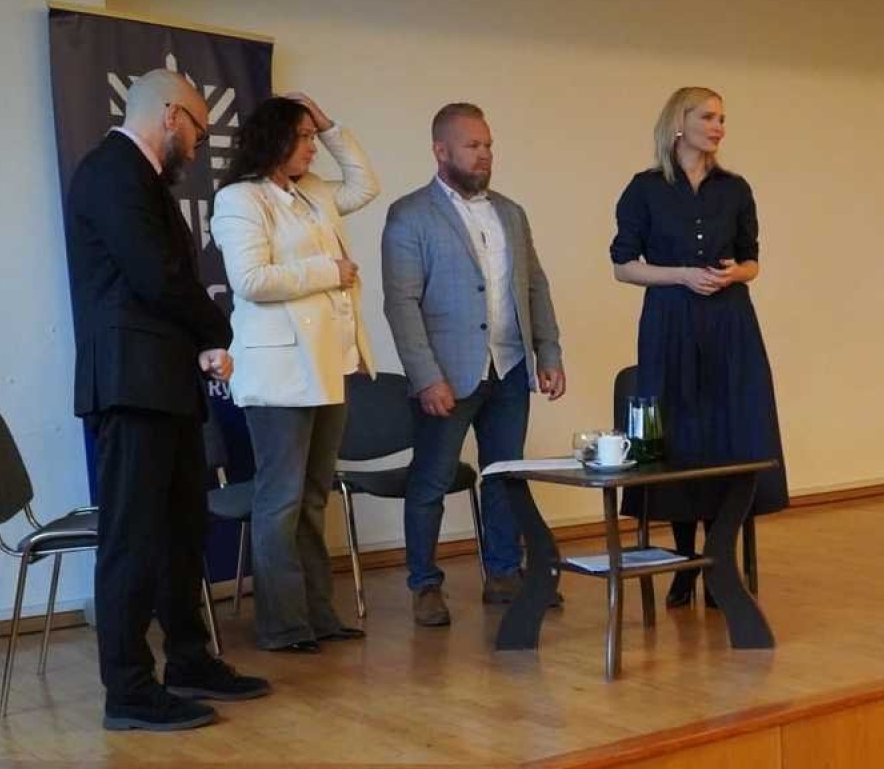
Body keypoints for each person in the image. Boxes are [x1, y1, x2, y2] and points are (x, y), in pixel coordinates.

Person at [64, 68, 270, 731]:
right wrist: (216, 332)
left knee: (182, 530)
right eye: (200, 132)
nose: (200, 147)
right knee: (132, 538)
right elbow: (157, 276)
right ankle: (127, 690)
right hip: (131, 384)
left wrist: (199, 345)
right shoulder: (112, 170)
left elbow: (164, 277)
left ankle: (188, 658)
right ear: (172, 115)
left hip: (164, 382)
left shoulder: (141, 178)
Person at [381, 103, 565, 627]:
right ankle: (424, 584)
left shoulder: (511, 212)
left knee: (505, 475)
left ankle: (504, 574)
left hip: (508, 367)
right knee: (431, 481)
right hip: (446, 375)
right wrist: (426, 377)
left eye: (488, 145)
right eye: (472, 146)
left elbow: (535, 286)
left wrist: (548, 352)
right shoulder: (410, 214)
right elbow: (401, 304)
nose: (484, 155)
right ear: (440, 151)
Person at [211, 94, 380, 654]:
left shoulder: (312, 193)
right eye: (304, 136)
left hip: (329, 363)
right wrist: (328, 270)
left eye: (313, 136)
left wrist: (330, 125)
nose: (312, 146)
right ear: (274, 139)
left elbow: (364, 185)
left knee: (313, 497)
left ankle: (319, 615)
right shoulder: (240, 198)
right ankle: (283, 624)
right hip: (279, 370)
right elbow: (251, 279)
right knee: (281, 498)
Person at [609, 86, 788, 608]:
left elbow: (752, 261)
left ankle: (719, 561)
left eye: (722, 119)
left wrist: (735, 273)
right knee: (679, 434)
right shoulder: (645, 189)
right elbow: (623, 266)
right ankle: (684, 563)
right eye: (708, 117)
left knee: (728, 434)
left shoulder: (734, 188)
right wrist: (683, 275)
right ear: (679, 123)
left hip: (729, 322)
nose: (718, 127)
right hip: (670, 320)